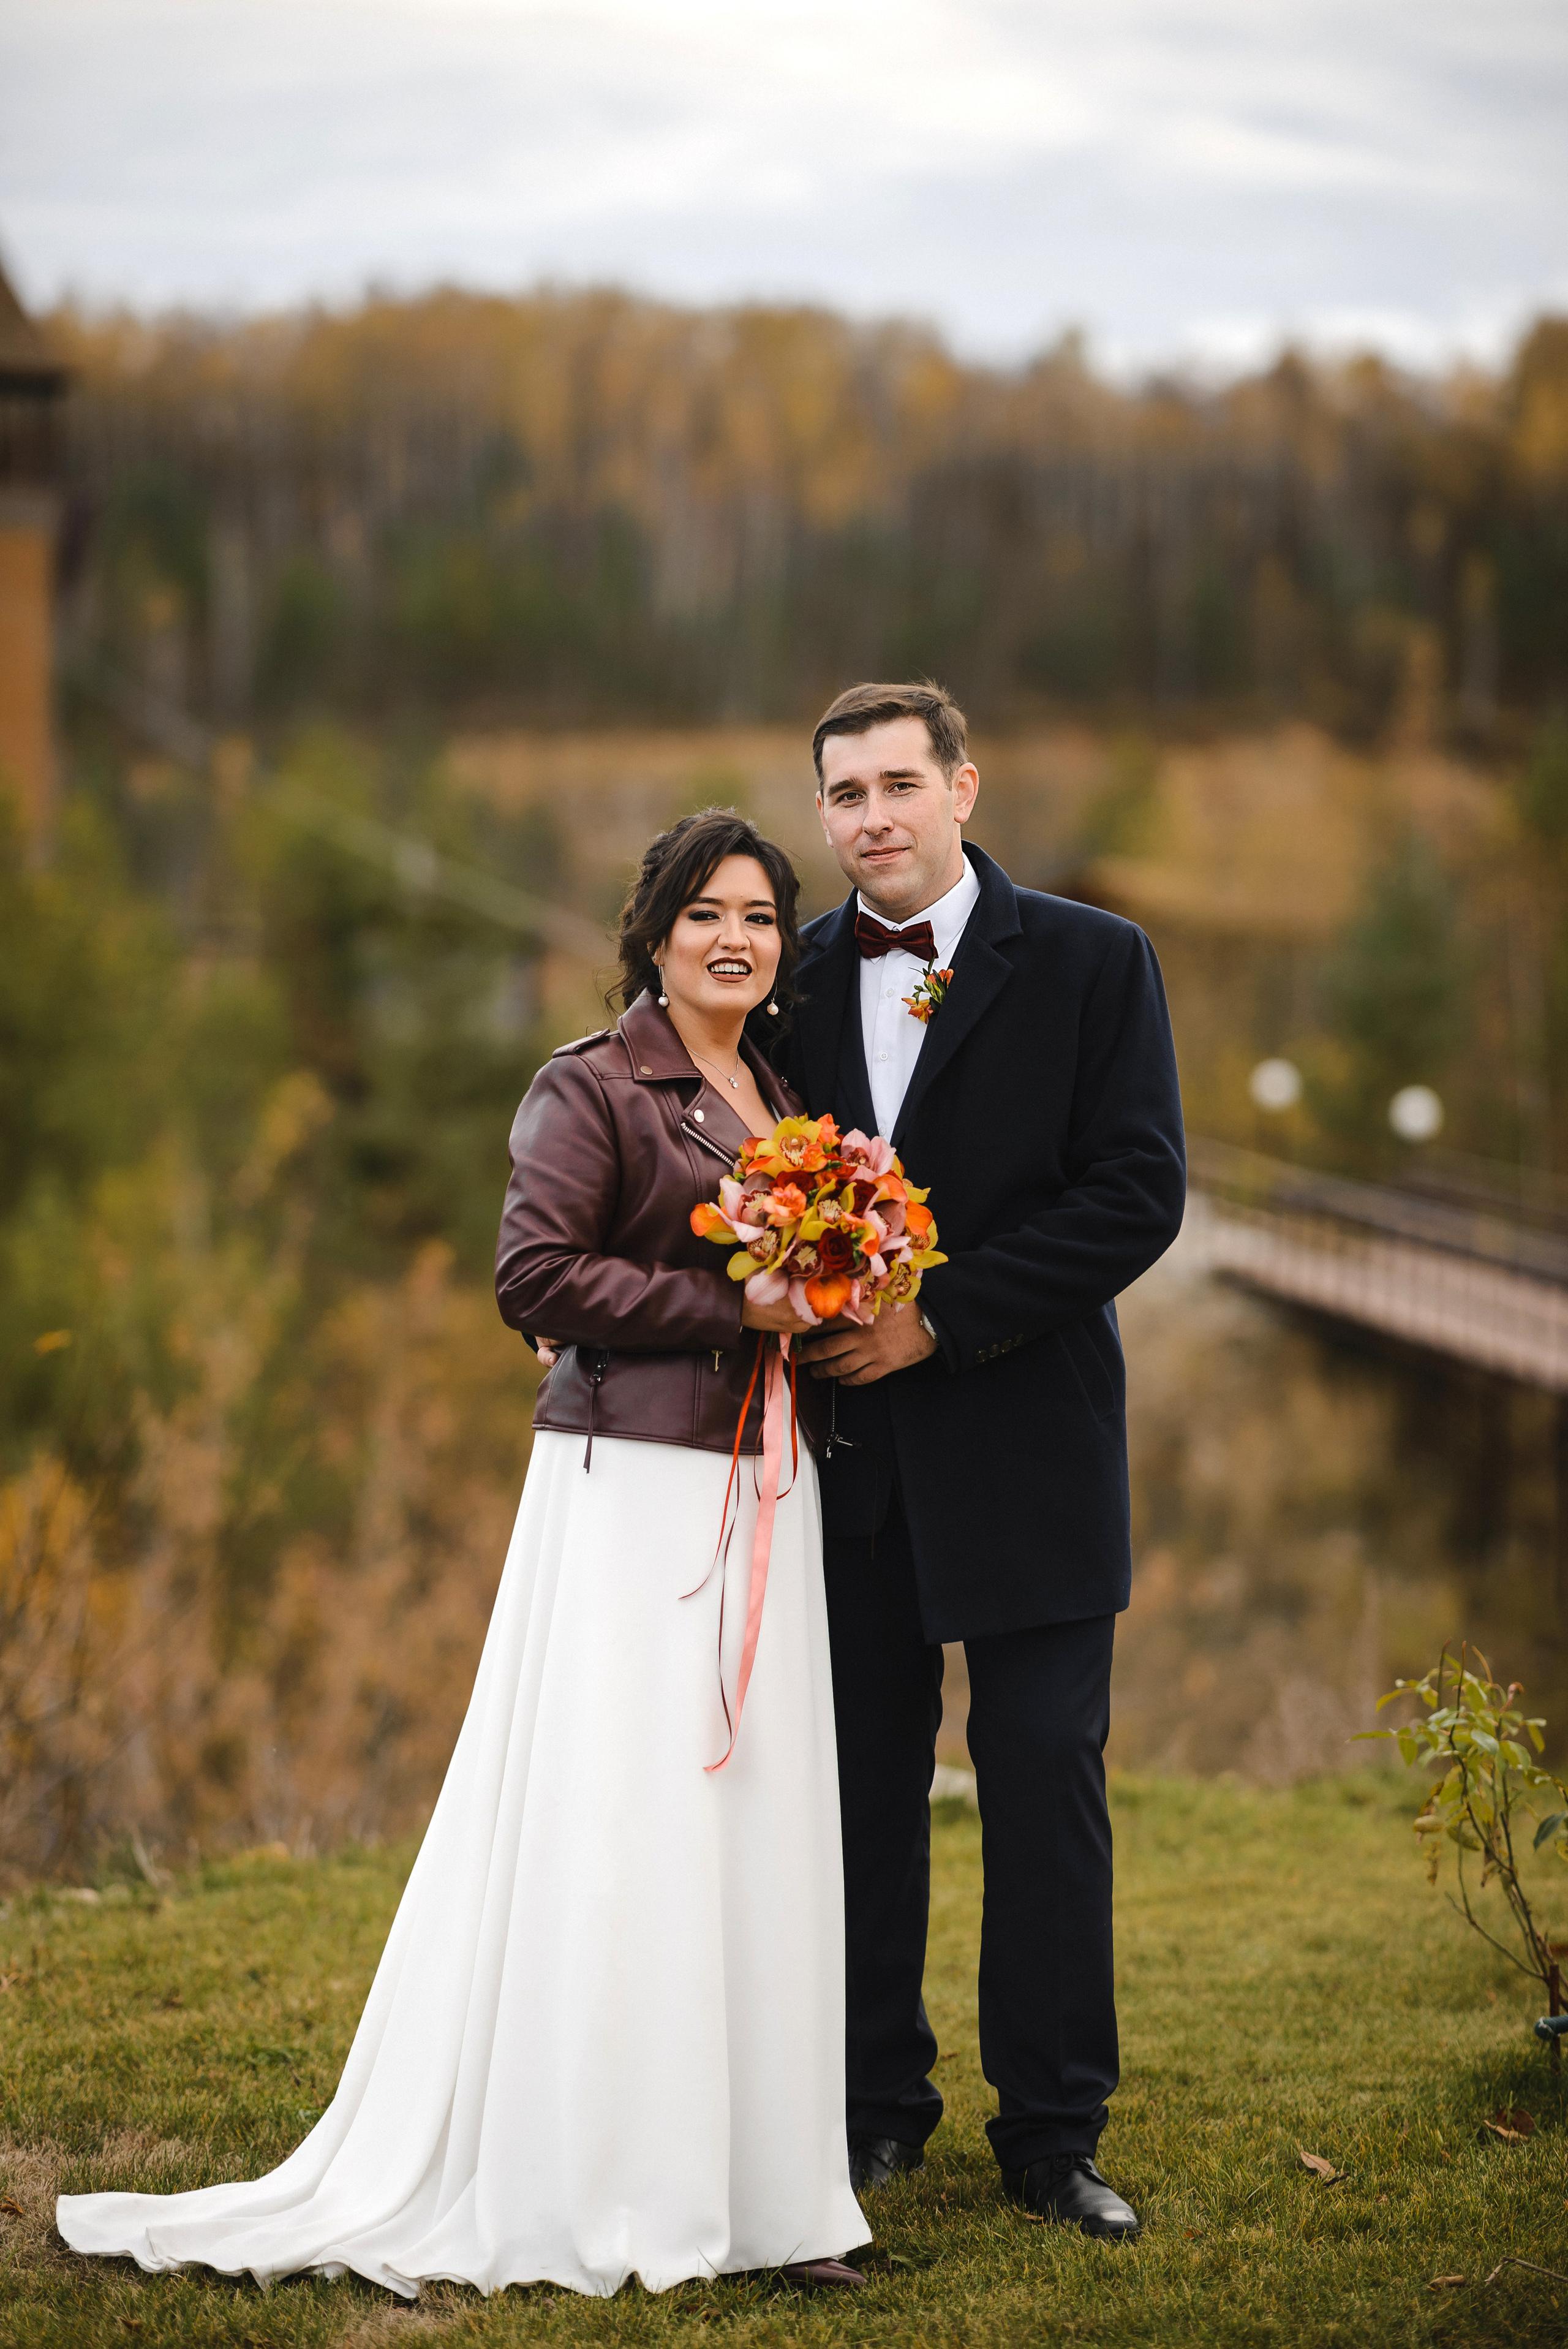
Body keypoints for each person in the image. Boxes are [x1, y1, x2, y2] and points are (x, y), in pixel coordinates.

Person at [58, 809, 867, 2299]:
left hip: (762, 1482)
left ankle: (766, 2199)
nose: (733, 938)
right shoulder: (589, 1086)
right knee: (627, 1824)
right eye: (703, 913)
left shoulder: (780, 1093)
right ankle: (613, 2179)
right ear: (654, 932)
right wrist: (731, 1313)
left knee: (748, 1825)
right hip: (628, 1488)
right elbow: (534, 1276)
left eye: (757, 915)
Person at [780, 681, 1185, 2241]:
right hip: (849, 1466)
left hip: (1029, 1446)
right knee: (860, 1798)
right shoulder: (795, 984)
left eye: (895, 783)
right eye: (840, 794)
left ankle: (1052, 2135)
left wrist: (936, 1323)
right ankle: (872, 2113)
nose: (867, 816)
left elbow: (1133, 1196)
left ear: (963, 785)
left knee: (1039, 1790)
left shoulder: (1093, 961)